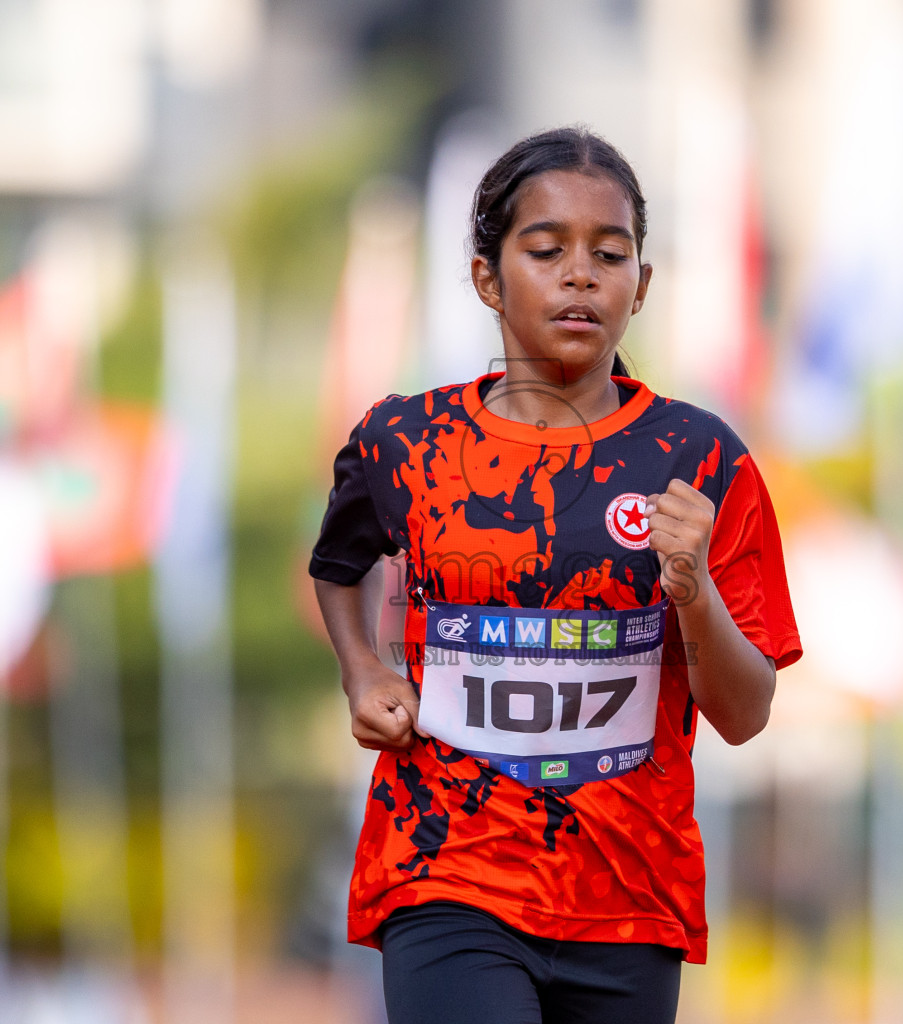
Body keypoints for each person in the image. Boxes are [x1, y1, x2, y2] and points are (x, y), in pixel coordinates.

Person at [309, 126, 802, 1024]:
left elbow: (745, 713)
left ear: (642, 286)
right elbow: (337, 564)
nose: (581, 275)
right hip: (446, 874)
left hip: (627, 892)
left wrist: (694, 592)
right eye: (547, 250)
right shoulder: (405, 442)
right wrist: (363, 671)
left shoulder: (701, 459)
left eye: (610, 255)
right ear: (488, 277)